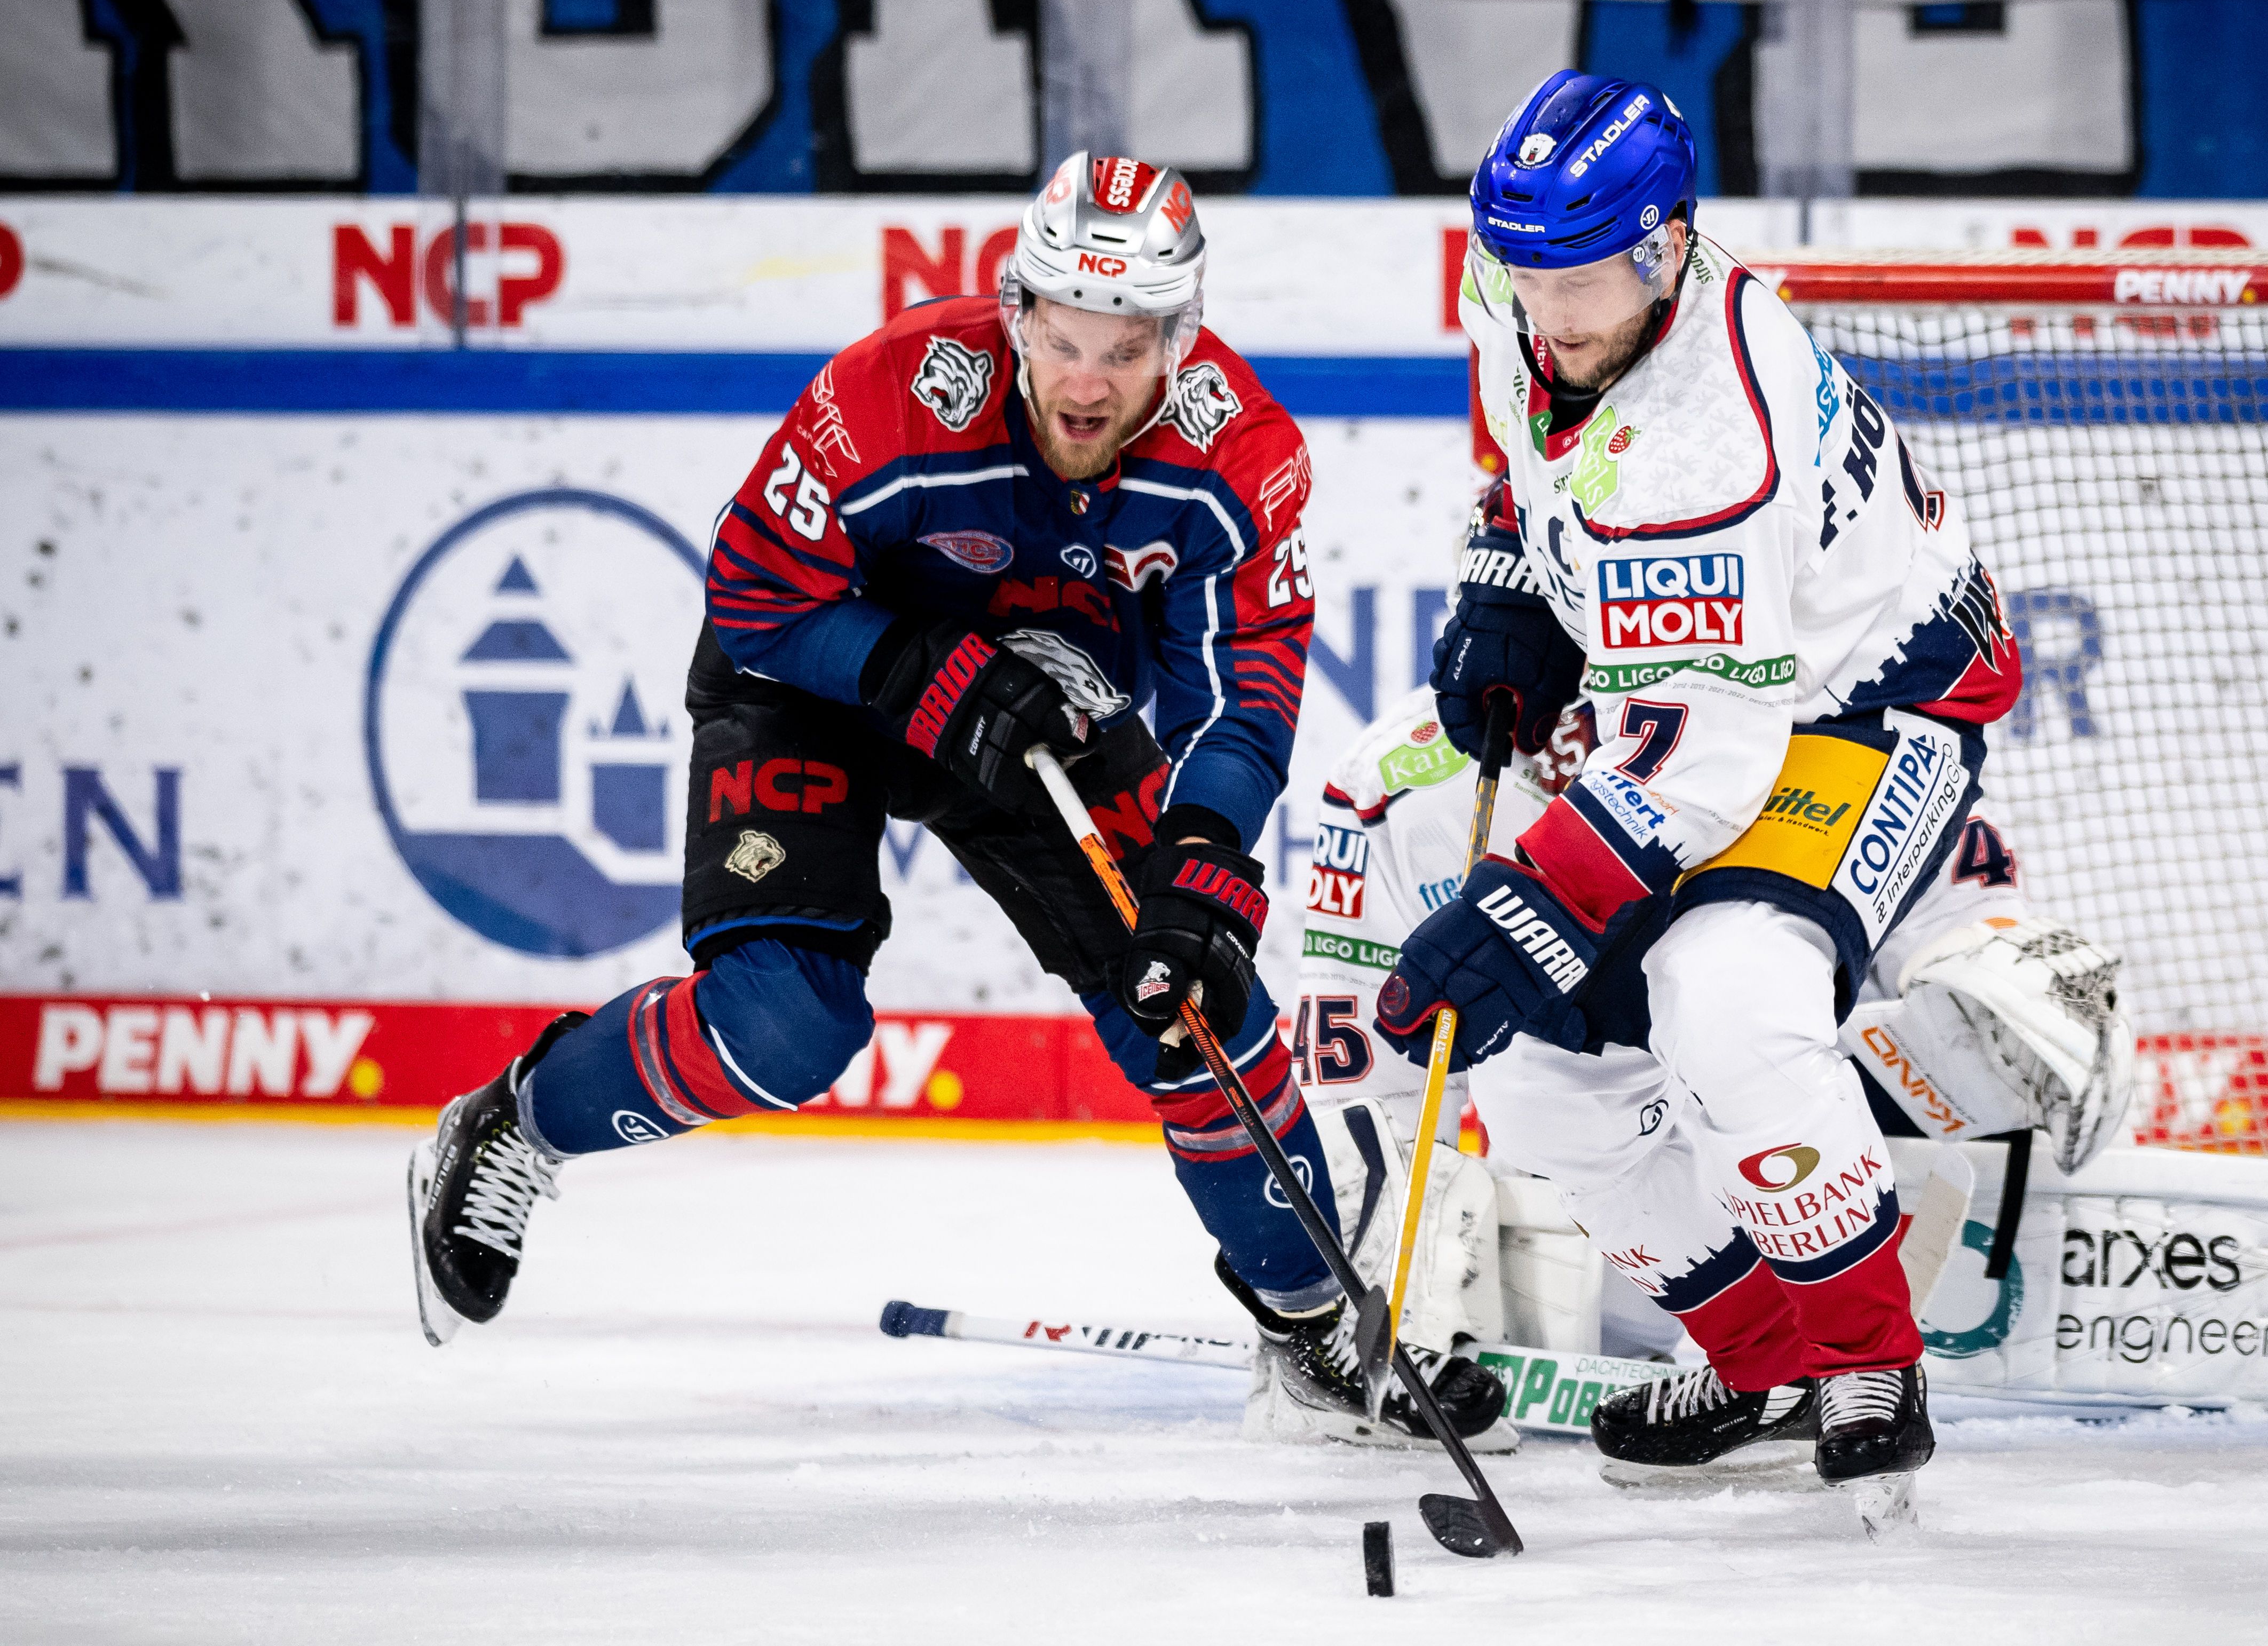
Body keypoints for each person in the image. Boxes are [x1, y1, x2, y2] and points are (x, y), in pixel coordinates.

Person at [404, 151, 1504, 1449]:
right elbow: (755, 594)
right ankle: (518, 1115)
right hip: (820, 677)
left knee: (1194, 997)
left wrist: (1205, 849)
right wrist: (918, 669)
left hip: (1045, 720)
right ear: (1016, 308)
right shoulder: (889, 395)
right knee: (784, 1026)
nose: (1086, 380)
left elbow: (1241, 699)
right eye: (1062, 334)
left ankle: (1311, 1317)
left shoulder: (1239, 456)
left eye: (1128, 345)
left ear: (1180, 342)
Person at [1375, 71, 2042, 1502]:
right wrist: (1510, 587)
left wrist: (1520, 906)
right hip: (1712, 696)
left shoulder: (1707, 437)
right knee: (1535, 1072)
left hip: (1866, 711)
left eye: (1577, 279)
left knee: (1724, 992)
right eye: (1518, 269)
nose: (1543, 314)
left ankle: (1867, 1361)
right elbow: (1532, 460)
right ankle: (1761, 1368)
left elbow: (1706, 763)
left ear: (1664, 247)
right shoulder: (1537, 301)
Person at [1302, 673, 2130, 1476]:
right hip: (1610, 1195)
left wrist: (1999, 953)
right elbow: (1364, 1067)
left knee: (1762, 1017)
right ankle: (1769, 1368)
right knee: (1529, 1088)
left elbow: (1940, 884)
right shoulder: (1393, 786)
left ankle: (1855, 1356)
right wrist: (1382, 1285)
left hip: (1798, 1110)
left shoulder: (1747, 701)